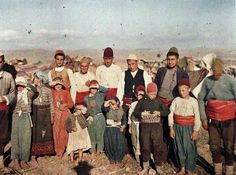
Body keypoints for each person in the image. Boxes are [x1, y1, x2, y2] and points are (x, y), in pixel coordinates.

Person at [198, 58, 236, 175]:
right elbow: (200, 98)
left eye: (218, 71)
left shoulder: (230, 80)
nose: (216, 74)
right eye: (214, 71)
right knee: (214, 147)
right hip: (213, 119)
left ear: (222, 69)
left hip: (229, 119)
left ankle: (229, 171)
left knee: (229, 147)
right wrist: (203, 118)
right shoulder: (207, 81)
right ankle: (217, 171)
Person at [154, 47, 189, 163]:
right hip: (160, 103)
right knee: (159, 131)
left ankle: (173, 157)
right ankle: (160, 157)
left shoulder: (183, 73)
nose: (170, 62)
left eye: (173, 59)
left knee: (171, 130)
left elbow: (186, 89)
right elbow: (155, 86)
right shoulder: (161, 71)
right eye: (168, 59)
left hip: (173, 104)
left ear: (177, 59)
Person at [133, 82, 170, 175]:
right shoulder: (142, 101)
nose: (152, 96)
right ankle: (145, 167)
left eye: (154, 94)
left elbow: (167, 111)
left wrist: (159, 113)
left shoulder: (159, 101)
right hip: (145, 128)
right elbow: (135, 112)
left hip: (157, 128)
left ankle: (158, 167)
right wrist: (142, 114)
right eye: (150, 94)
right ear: (147, 92)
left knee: (157, 147)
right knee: (145, 147)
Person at [168, 78, 201, 175]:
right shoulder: (176, 100)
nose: (181, 92)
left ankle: (189, 169)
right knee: (179, 147)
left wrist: (195, 130)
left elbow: (197, 117)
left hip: (189, 128)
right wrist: (171, 127)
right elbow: (170, 114)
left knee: (189, 148)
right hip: (177, 128)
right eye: (180, 90)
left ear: (189, 89)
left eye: (183, 90)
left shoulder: (193, 101)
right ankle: (182, 168)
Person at [11, 77, 37, 171]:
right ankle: (15, 161)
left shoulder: (29, 94)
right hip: (16, 116)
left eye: (21, 86)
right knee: (15, 138)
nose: (19, 88)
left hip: (26, 116)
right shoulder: (14, 95)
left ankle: (24, 160)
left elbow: (34, 89)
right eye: (18, 86)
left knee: (26, 138)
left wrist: (28, 82)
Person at [31, 70, 55, 156]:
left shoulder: (48, 90)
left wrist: (52, 115)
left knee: (47, 131)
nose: (36, 79)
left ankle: (46, 151)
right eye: (35, 78)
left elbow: (51, 102)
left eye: (37, 77)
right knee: (36, 131)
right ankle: (36, 152)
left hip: (46, 112)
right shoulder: (32, 89)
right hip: (36, 111)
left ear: (41, 78)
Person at [0, 54, 16, 173]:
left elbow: (13, 93)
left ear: (3, 62)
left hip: (3, 110)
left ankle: (1, 164)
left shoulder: (8, 76)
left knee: (3, 136)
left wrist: (4, 98)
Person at [51, 77, 74, 157]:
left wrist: (65, 105)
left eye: (60, 84)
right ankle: (57, 150)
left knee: (64, 132)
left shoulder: (66, 92)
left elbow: (71, 104)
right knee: (56, 132)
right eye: (56, 84)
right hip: (55, 114)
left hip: (64, 114)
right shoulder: (51, 92)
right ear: (53, 85)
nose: (58, 86)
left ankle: (63, 149)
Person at [84, 80, 107, 157]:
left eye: (95, 88)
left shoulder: (100, 95)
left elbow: (106, 90)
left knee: (100, 134)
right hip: (91, 118)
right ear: (89, 89)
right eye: (92, 88)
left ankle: (99, 150)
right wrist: (87, 116)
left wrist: (98, 85)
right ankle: (92, 150)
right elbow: (85, 109)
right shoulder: (86, 98)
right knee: (91, 134)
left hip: (99, 116)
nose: (93, 90)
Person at [103, 96, 125, 164]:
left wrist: (123, 126)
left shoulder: (121, 111)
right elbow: (103, 107)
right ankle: (111, 158)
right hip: (109, 130)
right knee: (109, 144)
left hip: (117, 130)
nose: (112, 106)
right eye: (111, 104)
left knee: (119, 144)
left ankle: (118, 159)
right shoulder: (108, 110)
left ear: (117, 103)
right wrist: (109, 101)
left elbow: (124, 120)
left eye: (114, 104)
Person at [128, 85, 145, 163]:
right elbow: (130, 116)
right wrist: (130, 126)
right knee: (134, 141)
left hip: (143, 125)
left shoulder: (146, 104)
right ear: (136, 95)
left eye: (142, 95)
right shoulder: (133, 104)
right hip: (134, 124)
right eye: (139, 94)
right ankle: (138, 160)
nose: (140, 96)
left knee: (143, 142)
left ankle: (145, 160)